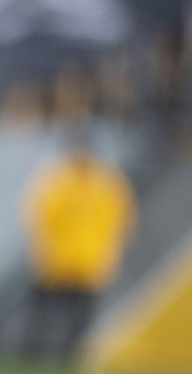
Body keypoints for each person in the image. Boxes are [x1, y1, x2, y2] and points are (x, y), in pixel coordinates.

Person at [23, 134, 135, 361]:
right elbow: (40, 219)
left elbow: (120, 223)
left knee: (76, 318)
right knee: (47, 315)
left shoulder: (102, 184)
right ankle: (36, 355)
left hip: (86, 262)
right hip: (59, 261)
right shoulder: (63, 181)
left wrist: (109, 254)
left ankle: (66, 358)